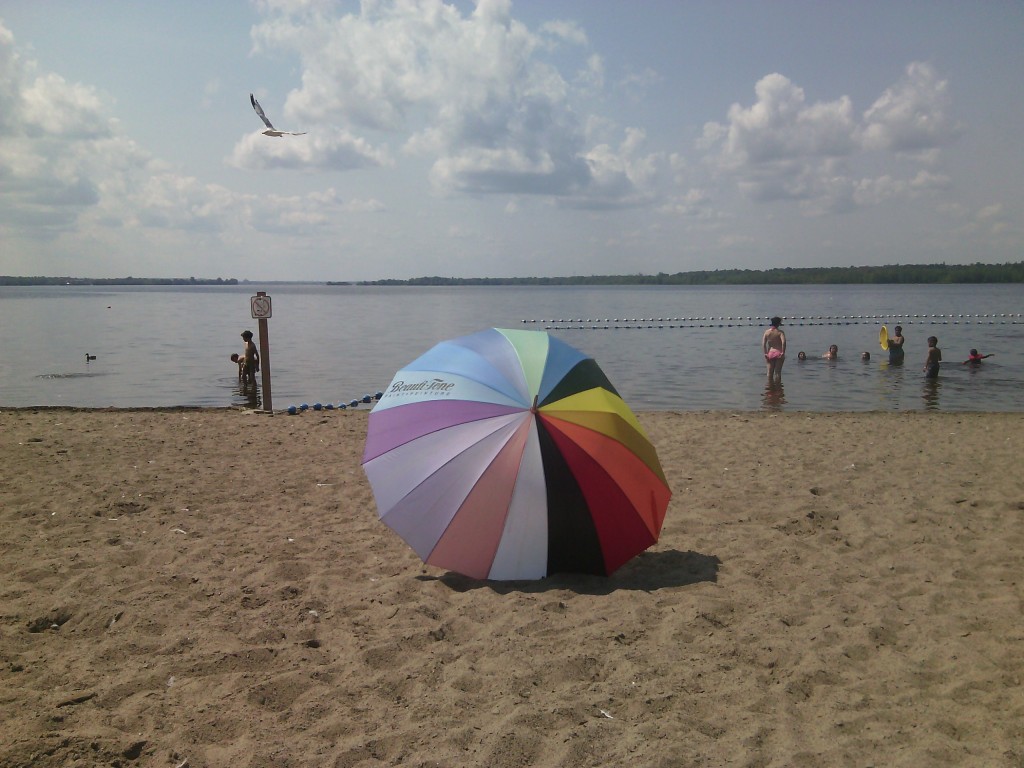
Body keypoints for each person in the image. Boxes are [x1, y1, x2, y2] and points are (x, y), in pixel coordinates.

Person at [761, 317, 786, 383]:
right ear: (778, 323)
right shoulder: (780, 332)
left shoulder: (767, 332)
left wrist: (765, 353)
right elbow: (783, 342)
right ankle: (778, 389)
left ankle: (769, 388)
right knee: (777, 373)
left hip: (770, 353)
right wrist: (783, 352)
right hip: (779, 352)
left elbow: (763, 343)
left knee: (769, 373)